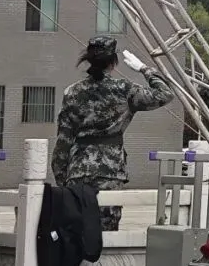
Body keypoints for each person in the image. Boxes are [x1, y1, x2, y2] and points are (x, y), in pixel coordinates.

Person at [51, 36, 175, 230]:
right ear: (113, 62)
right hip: (109, 172)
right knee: (106, 233)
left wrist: (62, 179)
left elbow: (63, 142)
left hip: (77, 171)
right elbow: (165, 94)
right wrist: (144, 69)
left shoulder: (72, 93)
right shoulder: (124, 90)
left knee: (76, 229)